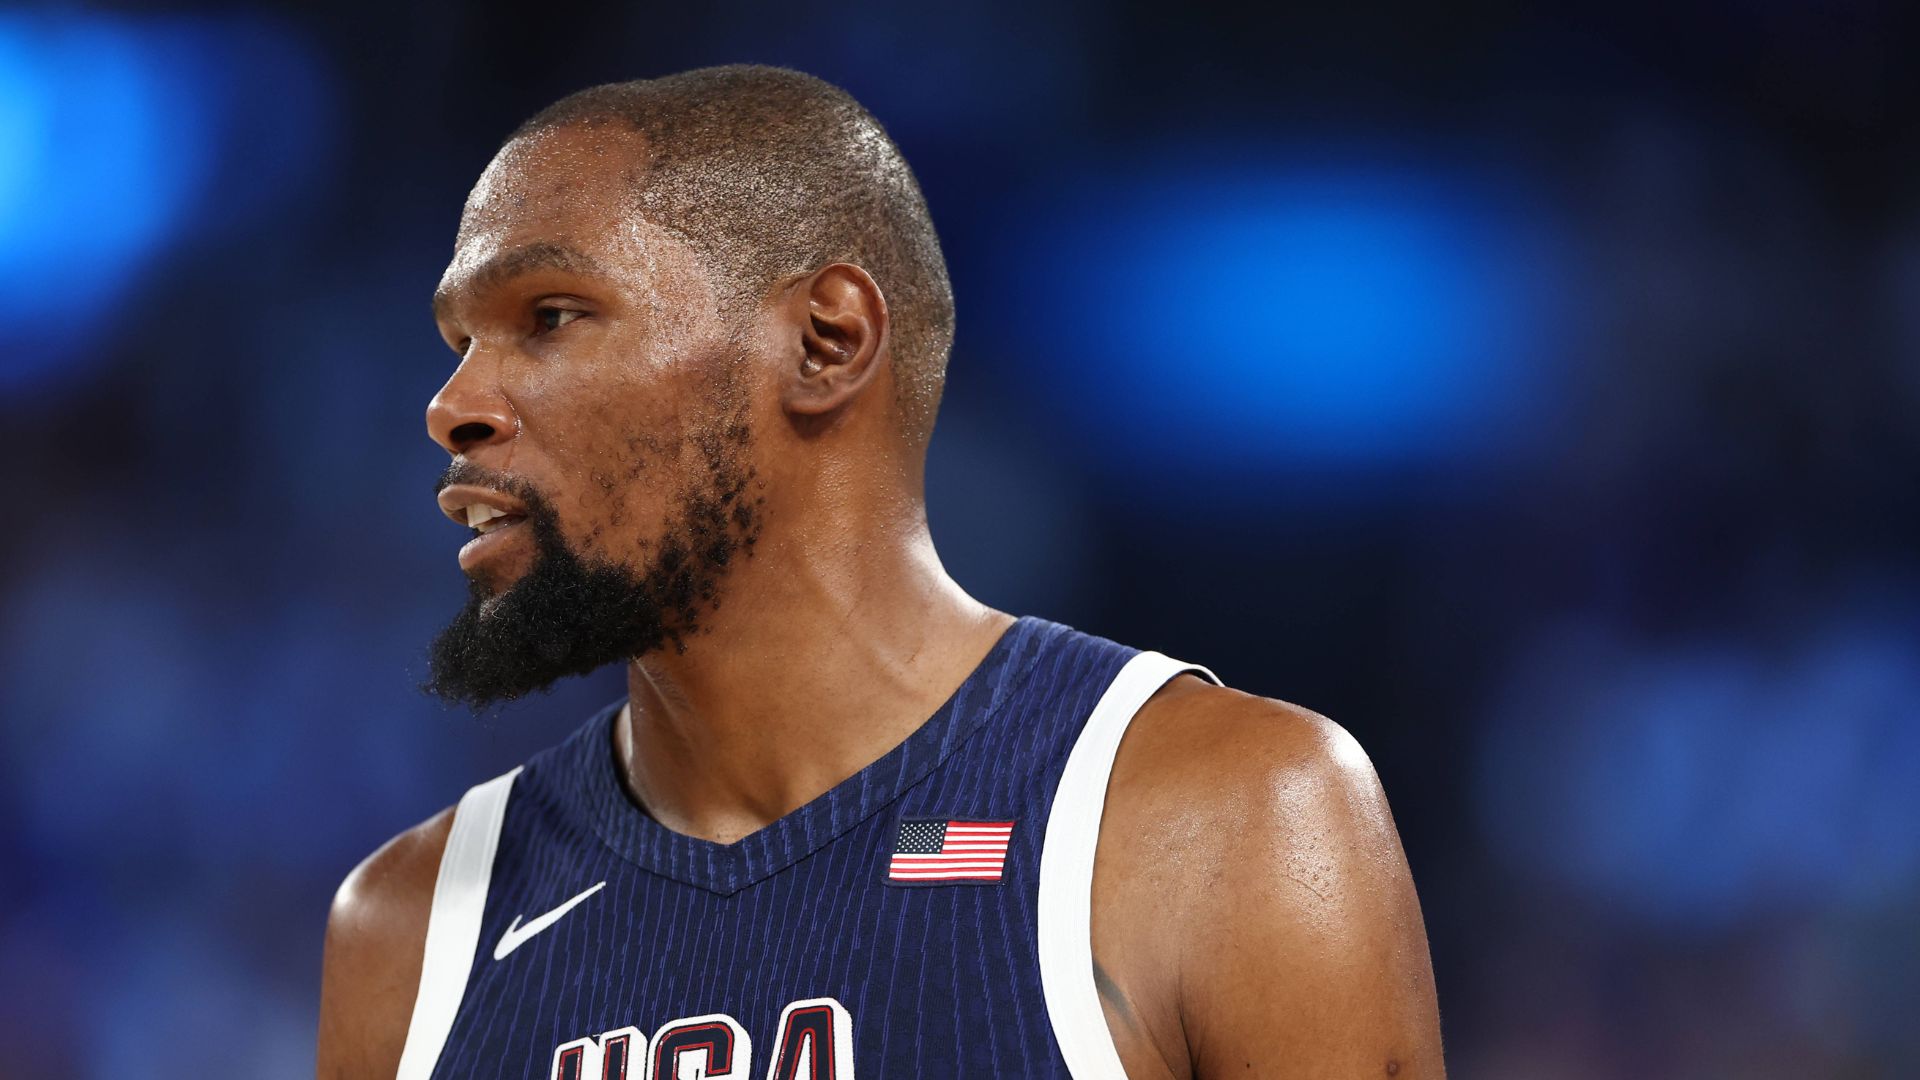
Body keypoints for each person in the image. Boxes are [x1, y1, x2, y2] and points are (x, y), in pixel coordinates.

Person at [316, 64, 1444, 1080]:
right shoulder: (409, 932)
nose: (453, 406)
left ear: (827, 341)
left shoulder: (1224, 818)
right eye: (457, 343)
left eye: (548, 317)